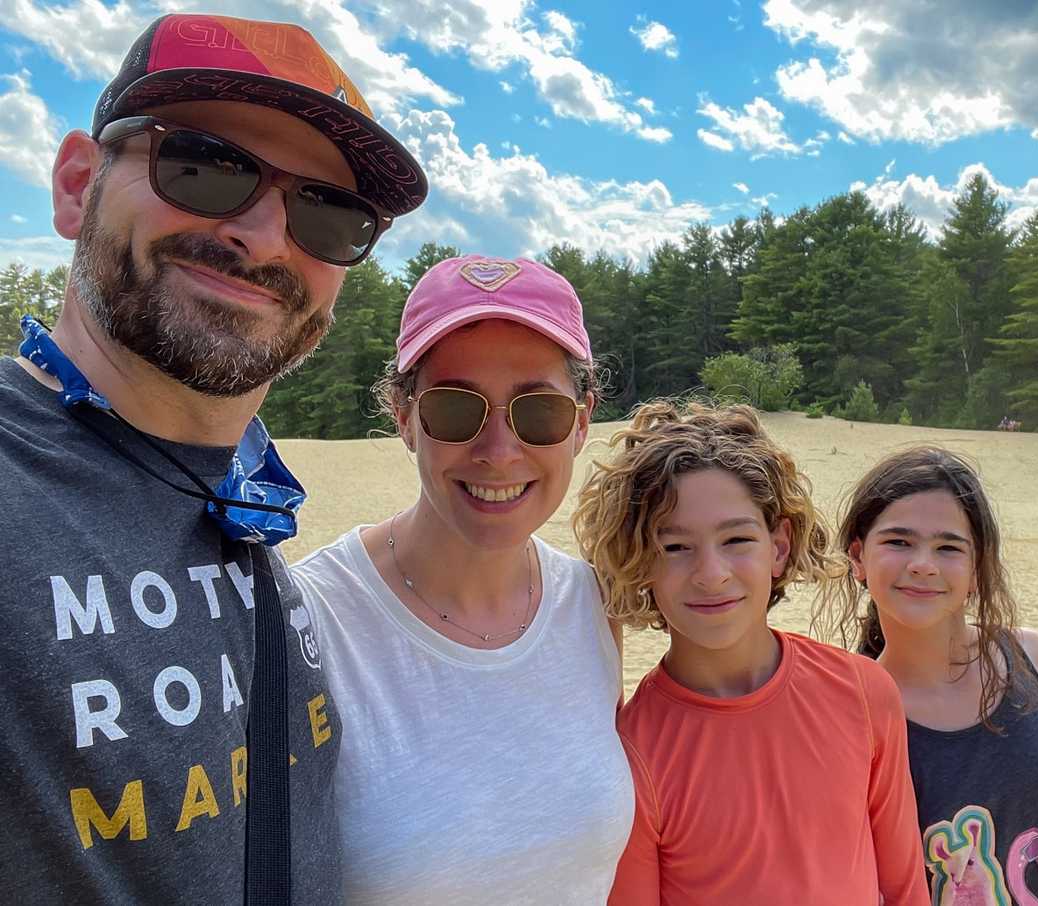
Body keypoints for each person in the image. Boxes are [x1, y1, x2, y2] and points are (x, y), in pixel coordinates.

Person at [0, 13, 427, 903]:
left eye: (328, 211)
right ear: (78, 184)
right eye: (204, 167)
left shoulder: (249, 507)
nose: (269, 237)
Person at [290, 255, 634, 905]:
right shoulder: (311, 618)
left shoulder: (594, 607)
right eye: (454, 409)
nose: (499, 450)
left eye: (539, 412)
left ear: (583, 421)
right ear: (403, 415)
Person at [572, 400, 930, 905]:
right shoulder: (631, 755)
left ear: (779, 546)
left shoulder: (865, 693)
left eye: (737, 539)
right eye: (675, 547)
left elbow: (905, 889)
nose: (711, 572)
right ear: (639, 559)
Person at [817, 446, 1038, 905]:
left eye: (948, 547)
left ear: (977, 568)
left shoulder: (1030, 657)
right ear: (858, 557)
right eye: (898, 541)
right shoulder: (848, 712)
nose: (923, 564)